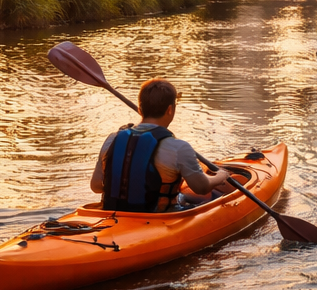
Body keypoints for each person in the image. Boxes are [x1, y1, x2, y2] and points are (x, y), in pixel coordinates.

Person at [90, 79, 231, 212]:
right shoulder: (179, 147)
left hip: (112, 214)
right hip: (158, 217)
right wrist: (220, 176)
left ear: (140, 108)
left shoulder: (113, 138)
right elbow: (202, 187)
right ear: (170, 110)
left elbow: (96, 186)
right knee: (214, 198)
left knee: (183, 196)